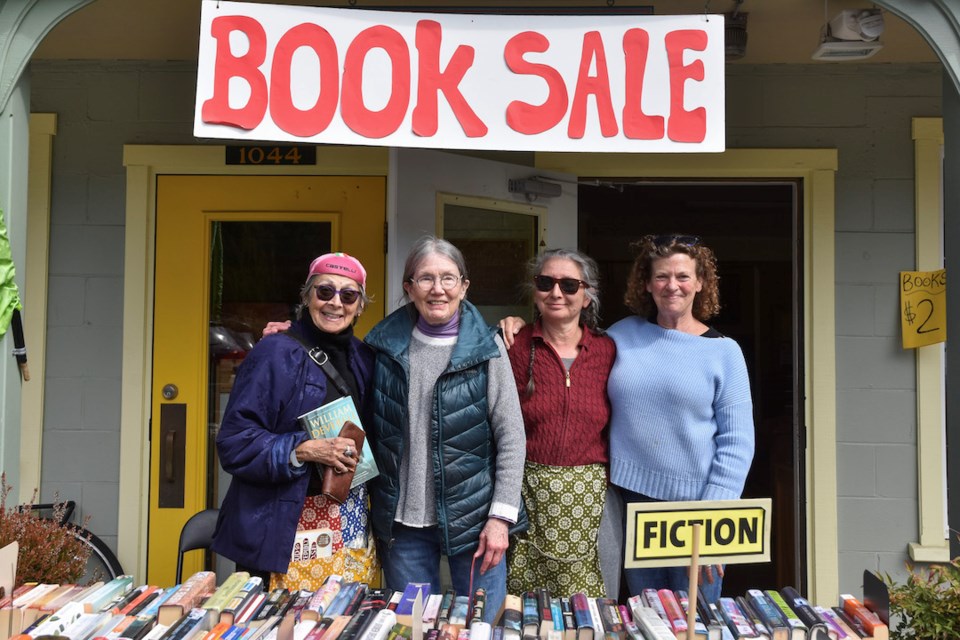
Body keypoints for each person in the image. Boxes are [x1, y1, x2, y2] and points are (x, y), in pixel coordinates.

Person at [364, 235, 526, 623]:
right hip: (403, 526)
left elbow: (511, 436)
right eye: (425, 279)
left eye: (448, 278)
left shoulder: (488, 348)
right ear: (409, 288)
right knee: (413, 626)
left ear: (464, 286)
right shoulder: (382, 347)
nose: (438, 289)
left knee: (483, 626)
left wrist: (501, 518)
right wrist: (289, 336)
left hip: (477, 523)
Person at [212, 252, 378, 590]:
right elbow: (234, 441)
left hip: (349, 523)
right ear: (306, 297)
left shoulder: (364, 358)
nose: (336, 303)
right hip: (281, 526)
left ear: (360, 305)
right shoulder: (274, 353)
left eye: (348, 295)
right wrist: (302, 449)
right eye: (324, 291)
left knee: (338, 624)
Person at [607, 233, 755, 602]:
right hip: (633, 504)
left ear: (701, 282)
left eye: (683, 276)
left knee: (697, 620)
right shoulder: (621, 335)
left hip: (698, 511)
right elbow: (565, 346)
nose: (672, 285)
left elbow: (737, 441)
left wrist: (713, 517)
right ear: (646, 283)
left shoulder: (724, 353)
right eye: (661, 276)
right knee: (649, 618)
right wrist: (515, 327)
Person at [504, 249, 616, 597]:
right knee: (523, 605)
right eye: (545, 282)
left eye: (569, 285)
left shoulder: (608, 349)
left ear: (587, 295)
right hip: (526, 489)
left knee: (587, 604)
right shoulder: (512, 347)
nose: (556, 293)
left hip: (590, 493)